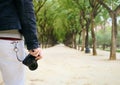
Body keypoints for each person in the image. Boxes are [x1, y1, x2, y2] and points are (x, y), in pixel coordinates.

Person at [0, 0, 42, 85]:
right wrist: (33, 43)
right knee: (15, 82)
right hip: (8, 37)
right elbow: (26, 8)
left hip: (8, 37)